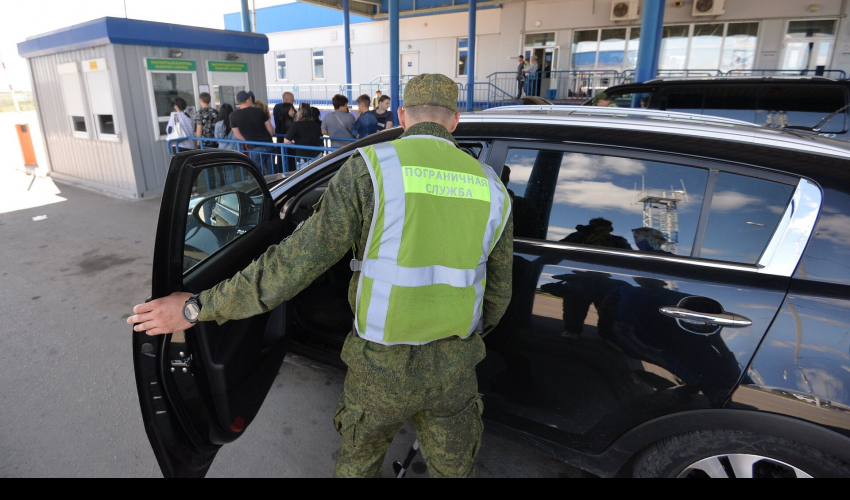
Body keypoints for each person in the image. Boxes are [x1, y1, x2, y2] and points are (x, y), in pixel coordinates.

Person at [127, 73, 514, 479]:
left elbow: (291, 266)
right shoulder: (492, 187)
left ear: (401, 115)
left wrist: (195, 308)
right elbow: (498, 295)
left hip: (380, 370)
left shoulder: (370, 170)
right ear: (455, 120)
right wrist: (464, 342)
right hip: (454, 369)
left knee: (358, 466)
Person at [230, 90, 275, 174]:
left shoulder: (233, 116)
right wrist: (268, 138)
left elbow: (237, 135)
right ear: (247, 100)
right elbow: (270, 129)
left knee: (258, 173)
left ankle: (263, 187)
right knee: (272, 172)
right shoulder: (259, 111)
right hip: (269, 145)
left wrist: (249, 141)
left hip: (254, 147)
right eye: (250, 99)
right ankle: (275, 186)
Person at [285, 102, 324, 169]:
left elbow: (286, 141)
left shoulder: (296, 125)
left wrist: (294, 144)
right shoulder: (316, 125)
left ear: (300, 112)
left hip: (304, 157)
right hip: (317, 156)